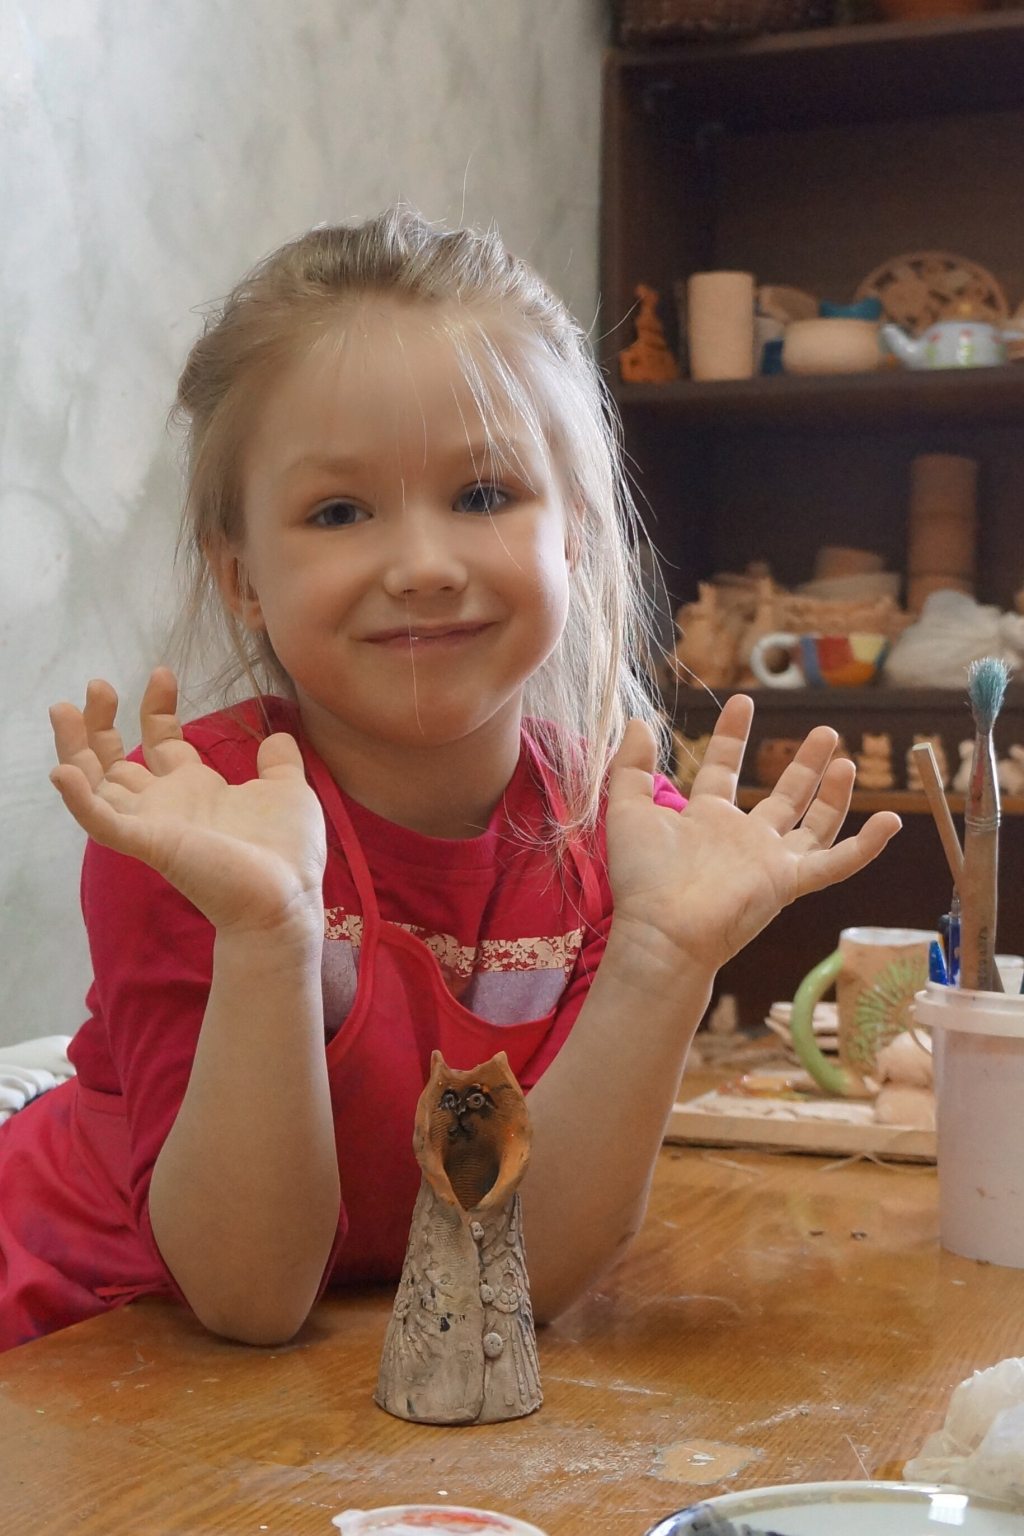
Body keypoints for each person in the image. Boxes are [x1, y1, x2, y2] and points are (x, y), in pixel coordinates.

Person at [0, 208, 900, 1352]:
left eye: (482, 496)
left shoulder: (625, 844)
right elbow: (248, 1298)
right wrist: (268, 932)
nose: (423, 567)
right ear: (242, 576)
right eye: (339, 511)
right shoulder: (190, 823)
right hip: (80, 1350)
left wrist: (662, 958)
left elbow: (526, 1279)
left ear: (573, 534)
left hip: (374, 1370)